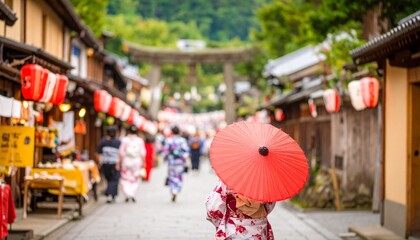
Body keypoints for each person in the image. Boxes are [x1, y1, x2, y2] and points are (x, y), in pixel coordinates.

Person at [205, 180, 276, 239]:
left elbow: (214, 208)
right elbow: (270, 205)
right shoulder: (266, 180)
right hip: (259, 227)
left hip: (233, 228)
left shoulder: (229, 178)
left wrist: (220, 219)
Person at [118, 125, 146, 203]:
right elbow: (142, 153)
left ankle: (127, 193)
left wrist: (119, 162)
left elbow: (121, 152)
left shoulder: (124, 140)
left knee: (125, 177)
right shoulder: (140, 141)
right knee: (135, 178)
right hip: (136, 161)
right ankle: (132, 193)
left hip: (126, 161)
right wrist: (144, 162)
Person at [162, 126, 190, 202]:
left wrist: (164, 158)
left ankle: (173, 189)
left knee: (171, 176)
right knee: (179, 176)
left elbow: (165, 151)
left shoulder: (168, 140)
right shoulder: (182, 140)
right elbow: (186, 151)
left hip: (171, 162)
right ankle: (176, 189)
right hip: (180, 161)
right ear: (179, 132)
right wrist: (187, 161)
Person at [96, 125, 121, 203]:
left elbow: (98, 153)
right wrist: (118, 163)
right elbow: (120, 154)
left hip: (105, 163)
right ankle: (110, 195)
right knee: (113, 180)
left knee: (109, 179)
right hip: (114, 163)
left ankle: (110, 195)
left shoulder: (103, 142)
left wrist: (100, 162)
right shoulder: (118, 142)